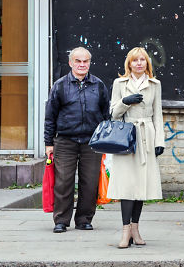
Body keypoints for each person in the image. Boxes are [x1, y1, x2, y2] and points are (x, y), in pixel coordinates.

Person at [43, 47, 110, 233]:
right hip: (65, 141)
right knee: (63, 182)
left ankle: (84, 219)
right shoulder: (60, 85)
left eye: (85, 61)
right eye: (78, 61)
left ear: (89, 63)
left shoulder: (98, 85)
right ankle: (61, 221)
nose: (82, 65)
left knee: (90, 183)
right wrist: (49, 143)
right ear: (71, 63)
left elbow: (106, 115)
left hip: (92, 142)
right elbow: (50, 117)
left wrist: (105, 141)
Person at [107, 47, 165, 248]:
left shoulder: (154, 84)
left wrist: (160, 141)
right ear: (129, 64)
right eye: (135, 60)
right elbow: (113, 113)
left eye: (143, 60)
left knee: (141, 185)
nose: (139, 63)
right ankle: (125, 232)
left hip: (147, 135)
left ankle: (135, 229)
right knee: (126, 185)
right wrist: (125, 102)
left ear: (147, 63)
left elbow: (158, 114)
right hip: (127, 136)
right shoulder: (119, 83)